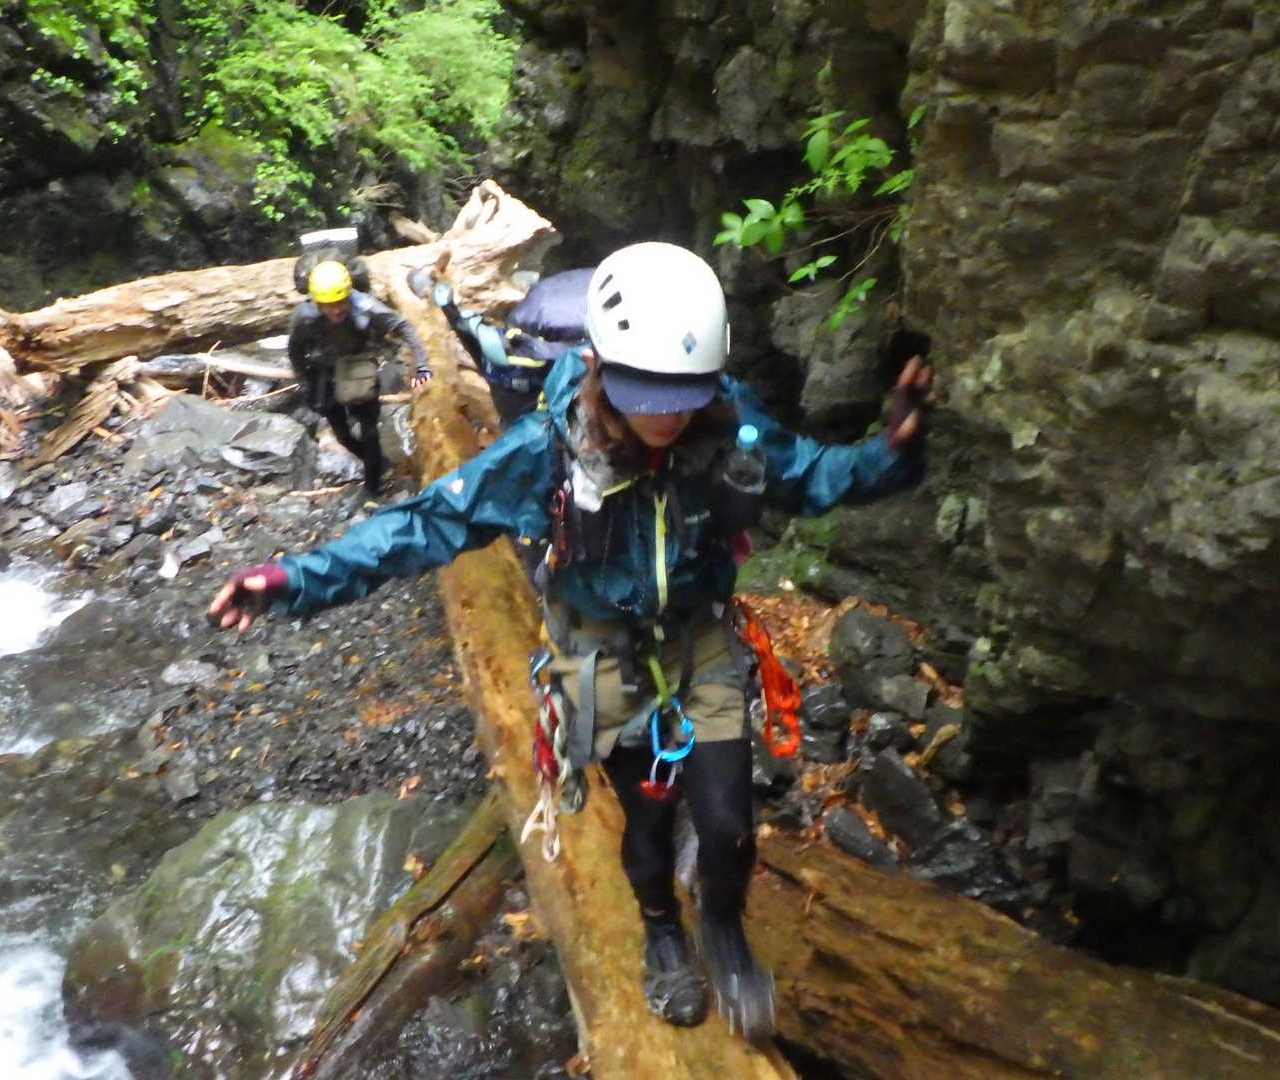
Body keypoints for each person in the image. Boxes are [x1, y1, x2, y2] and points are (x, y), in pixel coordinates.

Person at [211, 242, 931, 1040]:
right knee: (647, 816)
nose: (667, 417)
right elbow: (425, 524)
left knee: (728, 821)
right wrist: (292, 580)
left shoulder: (730, 426)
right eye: (647, 395)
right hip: (598, 650)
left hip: (697, 638)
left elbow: (816, 475)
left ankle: (723, 930)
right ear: (598, 365)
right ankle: (662, 932)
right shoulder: (548, 451)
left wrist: (893, 450)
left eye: (683, 397)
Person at [288, 260, 432, 496]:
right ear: (317, 302)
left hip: (358, 369)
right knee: (343, 435)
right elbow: (295, 350)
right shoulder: (303, 317)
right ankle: (380, 463)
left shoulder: (365, 307)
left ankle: (372, 487)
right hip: (323, 374)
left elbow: (404, 327)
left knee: (369, 431)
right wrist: (304, 381)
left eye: (340, 303)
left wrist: (422, 364)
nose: (336, 310)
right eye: (329, 305)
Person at [407, 265, 594, 427]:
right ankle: (441, 301)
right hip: (527, 349)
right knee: (482, 346)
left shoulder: (556, 350)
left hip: (530, 391)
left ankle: (443, 302)